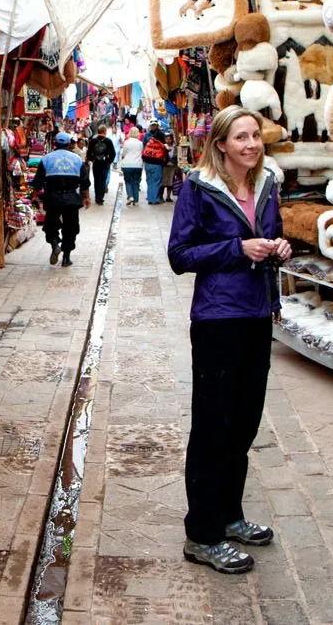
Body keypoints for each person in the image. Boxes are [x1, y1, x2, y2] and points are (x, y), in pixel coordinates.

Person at [166, 106, 291, 574]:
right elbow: (180, 255)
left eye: (256, 135)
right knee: (213, 426)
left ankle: (230, 514)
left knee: (243, 423)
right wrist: (236, 249)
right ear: (221, 145)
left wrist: (277, 246)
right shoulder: (198, 189)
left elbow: (271, 235)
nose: (252, 144)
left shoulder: (267, 186)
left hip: (258, 314)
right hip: (218, 318)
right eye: (241, 137)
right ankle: (203, 533)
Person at [31, 132, 91, 267]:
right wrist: (86, 198)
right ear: (69, 144)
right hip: (71, 198)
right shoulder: (76, 159)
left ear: (55, 144)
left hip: (53, 197)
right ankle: (66, 257)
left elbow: (38, 180)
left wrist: (34, 195)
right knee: (71, 227)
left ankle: (54, 244)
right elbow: (84, 182)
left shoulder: (46, 159)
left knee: (50, 224)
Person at [86, 124, 117, 205]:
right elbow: (113, 153)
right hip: (104, 163)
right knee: (103, 180)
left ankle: (97, 197)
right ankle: (100, 198)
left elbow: (88, 153)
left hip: (96, 163)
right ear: (105, 131)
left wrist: (92, 159)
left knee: (96, 180)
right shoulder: (108, 141)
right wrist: (109, 161)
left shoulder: (93, 141)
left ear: (98, 131)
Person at [141, 127, 168, 205]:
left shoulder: (149, 143)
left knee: (149, 182)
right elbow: (164, 156)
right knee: (156, 182)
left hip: (147, 165)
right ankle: (154, 199)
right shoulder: (161, 145)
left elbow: (143, 154)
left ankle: (150, 198)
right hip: (157, 165)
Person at [119, 128, 144, 206]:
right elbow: (141, 153)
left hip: (127, 165)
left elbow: (123, 153)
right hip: (138, 165)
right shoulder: (140, 143)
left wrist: (122, 158)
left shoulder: (126, 142)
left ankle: (130, 196)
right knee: (136, 182)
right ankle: (136, 200)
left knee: (128, 181)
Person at [160, 132, 179, 202]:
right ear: (165, 139)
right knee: (163, 182)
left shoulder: (175, 147)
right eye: (167, 139)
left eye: (170, 139)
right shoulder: (163, 146)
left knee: (170, 182)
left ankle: (168, 196)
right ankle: (161, 196)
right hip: (164, 166)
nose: (169, 141)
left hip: (172, 167)